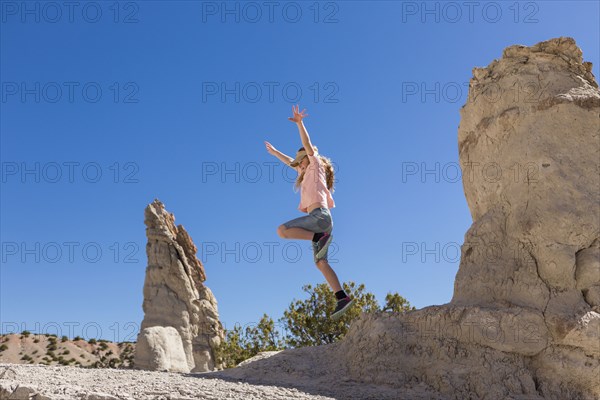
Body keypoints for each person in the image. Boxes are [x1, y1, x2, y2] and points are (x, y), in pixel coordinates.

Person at [264, 105, 354, 320]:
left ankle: (318, 238)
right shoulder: (304, 172)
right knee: (321, 263)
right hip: (321, 221)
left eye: (300, 161)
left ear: (308, 158)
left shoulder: (315, 165)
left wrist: (299, 123)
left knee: (282, 230)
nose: (299, 166)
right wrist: (275, 152)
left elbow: (307, 145)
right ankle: (342, 297)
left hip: (320, 218)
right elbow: (289, 162)